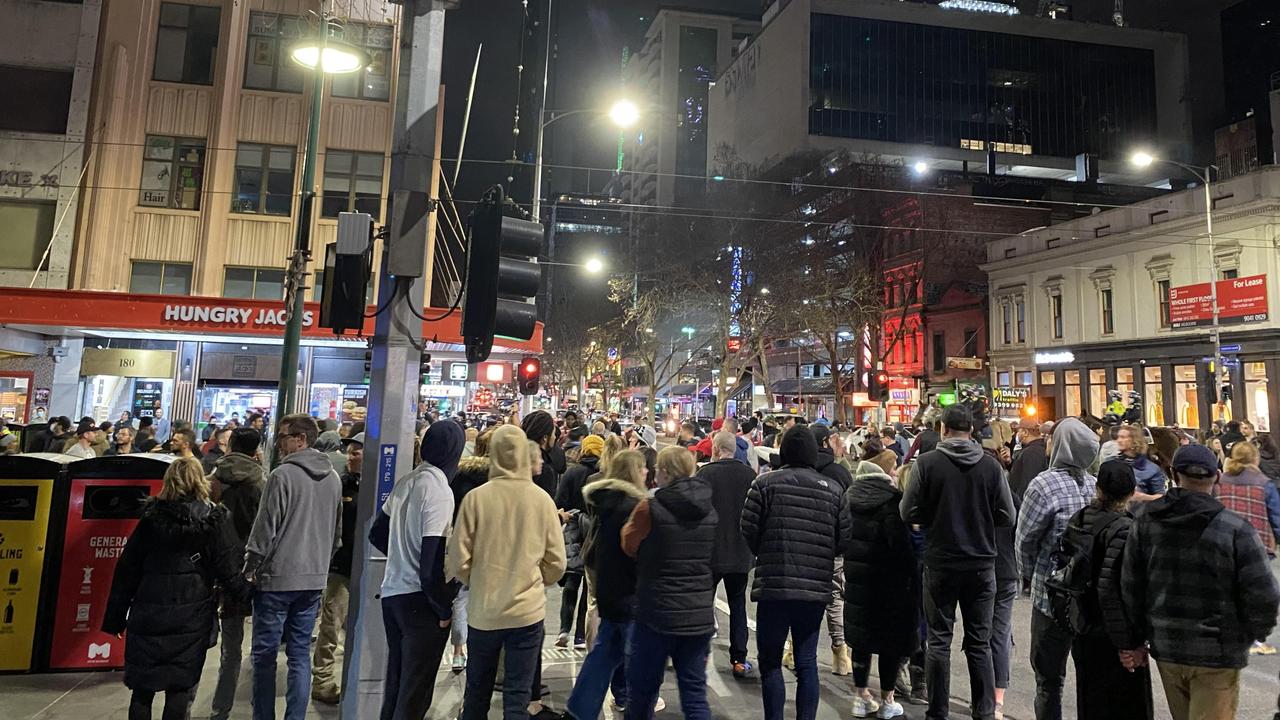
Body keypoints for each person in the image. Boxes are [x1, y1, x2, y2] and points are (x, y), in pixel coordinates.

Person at [1121, 443, 1280, 720]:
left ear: (1173, 473)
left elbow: (1131, 584)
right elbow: (1263, 593)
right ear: (1217, 476)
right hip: (1217, 651)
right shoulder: (1235, 528)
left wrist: (1135, 637)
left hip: (1166, 645)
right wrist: (1253, 633)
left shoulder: (1145, 521)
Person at [103, 457, 247, 720]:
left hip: (149, 610)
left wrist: (114, 619)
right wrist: (247, 596)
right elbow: (228, 566)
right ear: (199, 481)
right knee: (179, 687)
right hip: (191, 614)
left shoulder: (151, 517)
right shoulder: (214, 518)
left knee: (142, 690)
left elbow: (127, 568)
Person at [900, 405, 1015, 720]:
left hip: (941, 561)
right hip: (981, 563)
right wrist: (982, 519)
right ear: (971, 431)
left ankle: (938, 711)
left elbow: (907, 511)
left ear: (943, 429)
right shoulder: (991, 467)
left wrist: (932, 518)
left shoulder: (927, 463)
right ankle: (985, 711)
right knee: (980, 642)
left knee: (939, 640)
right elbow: (1008, 514)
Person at [447, 424, 566, 720]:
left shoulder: (476, 499)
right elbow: (557, 562)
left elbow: (458, 559)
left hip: (484, 612)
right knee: (518, 697)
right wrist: (536, 581)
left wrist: (479, 579)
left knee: (476, 693)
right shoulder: (541, 500)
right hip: (527, 613)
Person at [742, 425, 848, 720]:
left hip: (774, 585)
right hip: (814, 587)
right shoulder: (834, 491)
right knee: (806, 661)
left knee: (771, 663)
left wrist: (766, 550)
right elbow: (843, 539)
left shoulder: (764, 485)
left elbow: (748, 529)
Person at [244, 414, 342, 720]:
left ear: (301, 439)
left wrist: (251, 566)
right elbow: (336, 535)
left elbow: (264, 529)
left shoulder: (281, 476)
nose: (278, 442)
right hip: (313, 579)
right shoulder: (334, 479)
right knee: (300, 654)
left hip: (277, 578)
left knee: (265, 656)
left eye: (283, 435)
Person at [369, 420, 462, 719]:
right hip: (420, 603)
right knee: (415, 694)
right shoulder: (439, 491)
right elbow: (430, 564)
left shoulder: (408, 481)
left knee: (396, 685)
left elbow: (376, 533)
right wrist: (444, 608)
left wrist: (400, 555)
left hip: (393, 595)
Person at [621, 446, 717, 720]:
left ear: (663, 473)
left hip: (656, 612)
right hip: (698, 614)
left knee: (642, 692)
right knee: (695, 693)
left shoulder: (650, 507)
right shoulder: (708, 508)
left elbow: (629, 544)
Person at [1015, 416, 1099, 720]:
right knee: (1089, 675)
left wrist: (1025, 576)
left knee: (1049, 678)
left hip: (1050, 594)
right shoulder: (1094, 485)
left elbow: (1025, 539)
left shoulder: (1043, 485)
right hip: (1087, 597)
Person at [561, 449, 648, 720]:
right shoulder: (631, 508)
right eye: (643, 468)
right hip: (629, 594)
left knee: (602, 657)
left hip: (610, 590)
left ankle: (579, 710)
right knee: (640, 663)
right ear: (633, 472)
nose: (647, 472)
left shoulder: (607, 503)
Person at [1066, 460, 1154, 720]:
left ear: (1099, 488)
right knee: (1126, 707)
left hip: (1083, 627)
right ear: (1131, 491)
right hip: (1113, 635)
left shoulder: (1080, 518)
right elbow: (1113, 590)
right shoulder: (1125, 529)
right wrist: (1128, 644)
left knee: (1090, 702)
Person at [841, 458, 919, 719]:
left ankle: (860, 696)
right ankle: (887, 699)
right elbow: (901, 548)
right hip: (890, 584)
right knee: (890, 643)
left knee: (861, 640)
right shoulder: (892, 502)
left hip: (857, 581)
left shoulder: (847, 500)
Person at [208, 427, 267, 720]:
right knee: (251, 645)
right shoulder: (263, 481)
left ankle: (217, 709)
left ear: (230, 445)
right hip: (249, 568)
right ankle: (253, 708)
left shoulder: (213, 478)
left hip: (214, 567)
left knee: (218, 645)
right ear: (258, 448)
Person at [697, 430, 757, 679]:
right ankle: (739, 659)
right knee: (737, 604)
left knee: (702, 604)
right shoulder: (750, 476)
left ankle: (699, 655)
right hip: (740, 551)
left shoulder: (705, 474)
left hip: (710, 552)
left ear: (716, 448)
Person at [309, 433, 363, 704]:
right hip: (340, 568)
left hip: (367, 570)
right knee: (330, 626)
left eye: (356, 453)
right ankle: (322, 681)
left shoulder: (381, 488)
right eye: (350, 452)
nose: (350, 457)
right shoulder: (339, 485)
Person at [811, 423, 855, 676]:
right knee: (835, 598)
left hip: (805, 546)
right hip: (833, 545)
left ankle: (795, 652)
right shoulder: (839, 472)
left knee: (803, 599)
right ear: (826, 443)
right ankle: (841, 655)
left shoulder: (799, 468)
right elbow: (848, 512)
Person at [554, 434, 604, 649]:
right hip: (593, 531)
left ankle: (563, 630)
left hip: (573, 529)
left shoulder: (572, 471)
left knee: (572, 581)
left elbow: (560, 502)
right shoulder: (602, 476)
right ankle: (581, 637)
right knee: (589, 589)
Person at [449, 430, 490, 672]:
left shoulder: (459, 474)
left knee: (459, 599)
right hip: (489, 548)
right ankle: (480, 654)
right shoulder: (496, 479)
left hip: (461, 543)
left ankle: (458, 651)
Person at [1115, 425, 1166, 501]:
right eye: (1118, 437)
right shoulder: (1112, 463)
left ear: (1134, 440)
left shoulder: (1151, 469)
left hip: (1140, 510)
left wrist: (1142, 497)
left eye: (1123, 437)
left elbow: (1162, 497)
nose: (1118, 440)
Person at [523, 410, 565, 499]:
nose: (554, 437)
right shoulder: (543, 469)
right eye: (553, 433)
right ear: (545, 438)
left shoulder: (516, 461)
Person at [1007, 420, 1049, 502]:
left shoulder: (1032, 452)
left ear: (1025, 432)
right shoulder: (1038, 449)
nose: (1017, 434)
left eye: (1019, 431)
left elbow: (1027, 482)